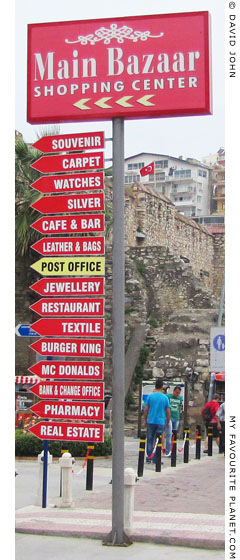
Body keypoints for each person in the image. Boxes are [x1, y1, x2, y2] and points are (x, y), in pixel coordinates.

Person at [144, 378, 170, 463]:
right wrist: (168, 421)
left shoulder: (150, 396)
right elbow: (168, 410)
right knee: (158, 440)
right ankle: (156, 458)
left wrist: (145, 419)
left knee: (150, 439)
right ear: (162, 387)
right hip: (160, 421)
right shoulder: (165, 397)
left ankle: (149, 457)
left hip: (151, 420)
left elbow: (146, 409)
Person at [165, 386, 183, 456]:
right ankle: (168, 451)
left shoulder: (180, 399)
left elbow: (180, 407)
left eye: (179, 393)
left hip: (176, 417)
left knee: (174, 434)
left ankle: (173, 450)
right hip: (170, 417)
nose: (177, 394)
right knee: (169, 434)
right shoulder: (168, 397)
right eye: (176, 392)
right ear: (173, 391)